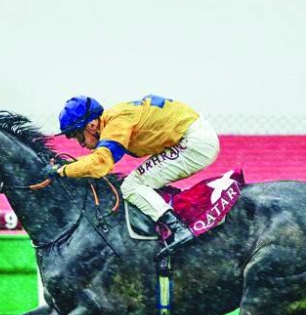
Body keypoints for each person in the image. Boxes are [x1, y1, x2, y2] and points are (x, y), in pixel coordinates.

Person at [49, 94, 220, 258]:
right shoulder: (114, 118)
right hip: (192, 135)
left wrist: (62, 170)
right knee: (143, 180)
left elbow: (100, 164)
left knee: (132, 185)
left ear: (92, 125)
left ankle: (179, 228)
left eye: (79, 136)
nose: (81, 144)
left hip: (194, 142)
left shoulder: (116, 123)